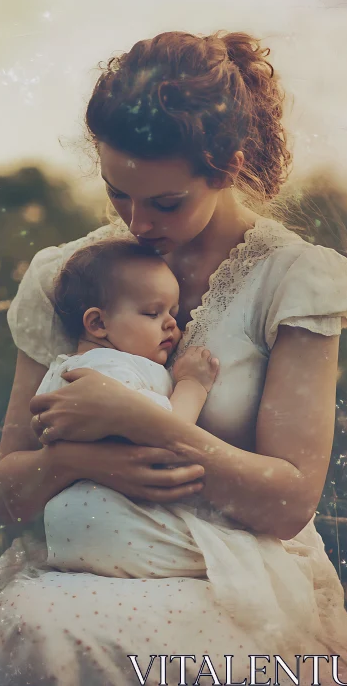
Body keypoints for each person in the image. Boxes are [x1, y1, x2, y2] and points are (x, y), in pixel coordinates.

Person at [0, 29, 347, 686]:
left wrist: (141, 418)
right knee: (35, 625)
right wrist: (74, 459)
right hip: (89, 565)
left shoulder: (294, 281)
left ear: (227, 168)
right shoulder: (70, 277)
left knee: (59, 634)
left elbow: (289, 503)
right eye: (119, 193)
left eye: (166, 202)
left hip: (240, 579)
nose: (138, 222)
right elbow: (8, 491)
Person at [41, 237, 221, 579]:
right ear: (97, 324)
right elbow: (165, 435)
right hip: (118, 525)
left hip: (75, 528)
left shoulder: (65, 368)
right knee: (230, 558)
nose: (170, 324)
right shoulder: (106, 370)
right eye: (152, 313)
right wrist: (193, 385)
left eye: (173, 312)